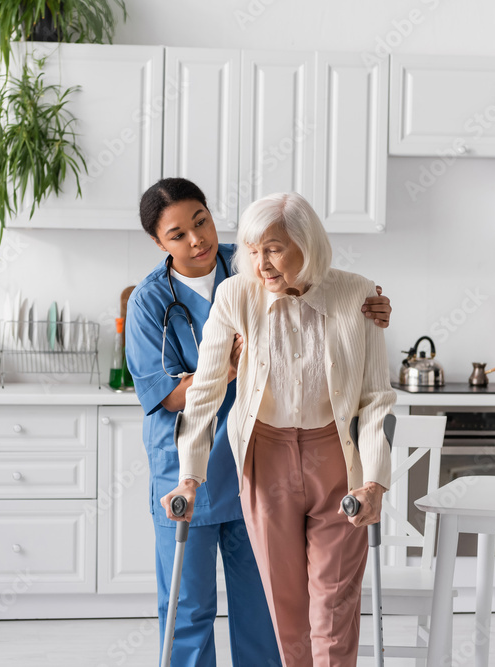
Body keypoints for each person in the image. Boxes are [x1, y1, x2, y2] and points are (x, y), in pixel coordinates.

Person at [126, 179, 392, 666]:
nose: (196, 240)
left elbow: (367, 379)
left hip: (297, 455)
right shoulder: (167, 298)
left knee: (269, 611)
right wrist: (225, 373)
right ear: (159, 243)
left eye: (201, 222)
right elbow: (181, 395)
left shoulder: (248, 260)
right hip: (223, 457)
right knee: (192, 604)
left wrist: (368, 307)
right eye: (178, 234)